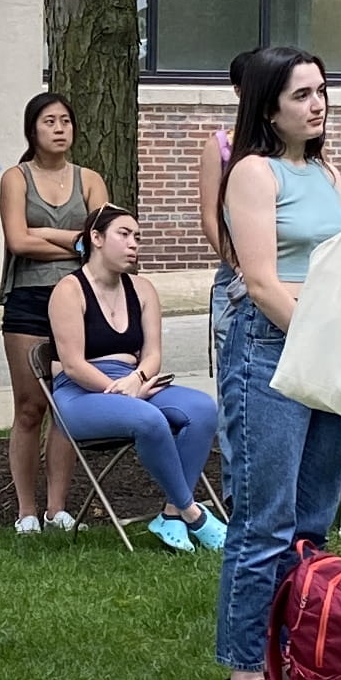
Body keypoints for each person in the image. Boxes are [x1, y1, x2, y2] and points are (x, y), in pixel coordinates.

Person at [211, 46, 341, 680]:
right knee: (264, 517)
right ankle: (244, 673)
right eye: (302, 94)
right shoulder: (252, 173)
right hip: (269, 349)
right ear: (269, 106)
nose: (317, 104)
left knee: (313, 517)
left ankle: (300, 645)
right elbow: (261, 281)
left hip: (324, 344)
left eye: (322, 91)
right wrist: (321, 338)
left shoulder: (326, 172)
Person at [44, 205, 224, 551]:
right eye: (123, 235)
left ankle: (171, 515)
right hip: (81, 394)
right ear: (96, 239)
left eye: (137, 237)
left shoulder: (142, 289)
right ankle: (194, 515)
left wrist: (137, 380)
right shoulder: (69, 290)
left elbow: (153, 354)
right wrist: (122, 394)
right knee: (148, 419)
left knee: (202, 409)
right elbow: (73, 365)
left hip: (134, 381)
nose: (133, 244)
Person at [0, 89, 109, 531]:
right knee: (30, 407)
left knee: (67, 404)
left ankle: (57, 509)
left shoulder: (90, 179)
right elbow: (17, 241)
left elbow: (100, 242)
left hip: (80, 300)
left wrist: (51, 234)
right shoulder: (15, 178)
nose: (59, 128)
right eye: (49, 121)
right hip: (28, 300)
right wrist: (74, 240)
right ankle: (26, 511)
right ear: (33, 129)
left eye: (65, 120)